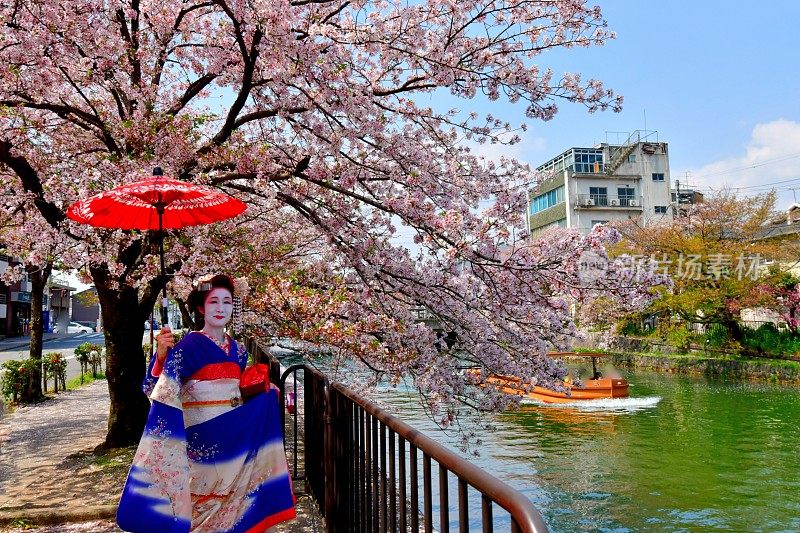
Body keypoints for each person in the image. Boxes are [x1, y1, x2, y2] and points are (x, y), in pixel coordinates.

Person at [117, 274, 295, 532]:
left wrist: (264, 394)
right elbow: (151, 388)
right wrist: (162, 356)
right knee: (202, 504)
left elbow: (238, 394)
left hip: (231, 437)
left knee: (233, 505)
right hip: (201, 440)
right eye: (214, 302)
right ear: (201, 308)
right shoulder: (187, 346)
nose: (221, 308)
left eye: (227, 302)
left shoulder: (239, 350)